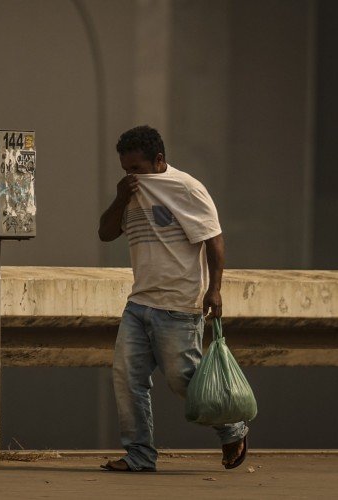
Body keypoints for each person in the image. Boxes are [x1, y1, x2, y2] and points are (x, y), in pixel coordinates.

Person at [97, 125, 248, 472]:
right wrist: (121, 195)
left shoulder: (187, 188)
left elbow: (213, 239)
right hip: (139, 304)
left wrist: (215, 289)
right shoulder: (130, 193)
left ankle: (232, 428)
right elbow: (105, 233)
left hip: (178, 304)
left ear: (159, 160)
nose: (132, 176)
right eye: (125, 169)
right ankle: (139, 455)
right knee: (127, 377)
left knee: (184, 379)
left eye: (136, 169)